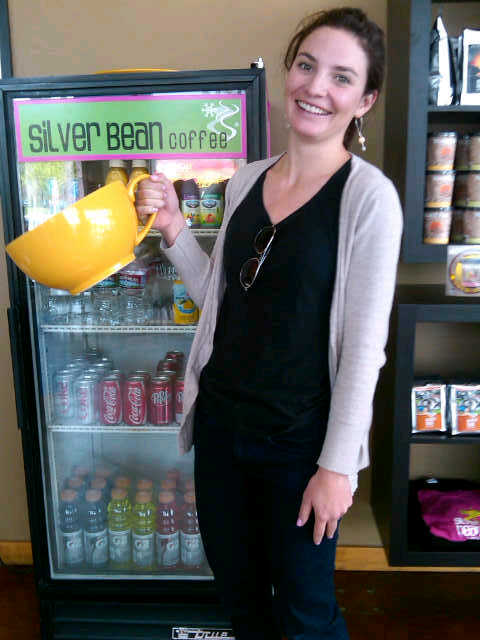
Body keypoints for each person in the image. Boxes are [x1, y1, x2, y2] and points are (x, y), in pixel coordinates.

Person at [136, 7, 402, 639]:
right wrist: (173, 228)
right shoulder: (246, 181)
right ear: (289, 72)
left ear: (365, 101)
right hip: (222, 430)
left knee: (307, 615)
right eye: (306, 66)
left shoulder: (368, 198)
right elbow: (221, 298)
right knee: (242, 599)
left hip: (300, 446)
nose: (316, 87)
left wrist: (337, 468)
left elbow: (365, 351)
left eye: (341, 77)